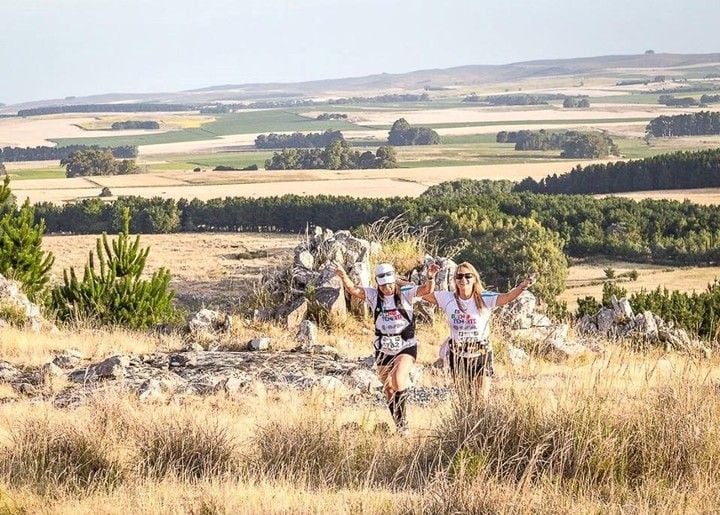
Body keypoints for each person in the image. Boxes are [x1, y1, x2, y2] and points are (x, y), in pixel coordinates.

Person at [334, 261, 440, 435]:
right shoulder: (374, 295)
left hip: (406, 345)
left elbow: (426, 290)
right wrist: (343, 275)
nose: (386, 289)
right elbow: (354, 290)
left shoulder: (405, 292)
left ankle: (403, 423)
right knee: (388, 388)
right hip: (383, 346)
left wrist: (430, 276)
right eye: (382, 285)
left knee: (398, 380)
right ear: (378, 283)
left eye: (389, 285)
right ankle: (400, 424)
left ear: (394, 281)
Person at [420, 262, 537, 399]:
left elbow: (506, 298)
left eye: (468, 276)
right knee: (464, 400)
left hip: (481, 353)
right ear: (455, 280)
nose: (463, 280)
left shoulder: (484, 298)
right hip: (458, 355)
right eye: (459, 276)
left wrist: (522, 287)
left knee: (481, 399)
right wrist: (430, 278)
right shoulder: (447, 298)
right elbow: (424, 294)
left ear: (474, 278)